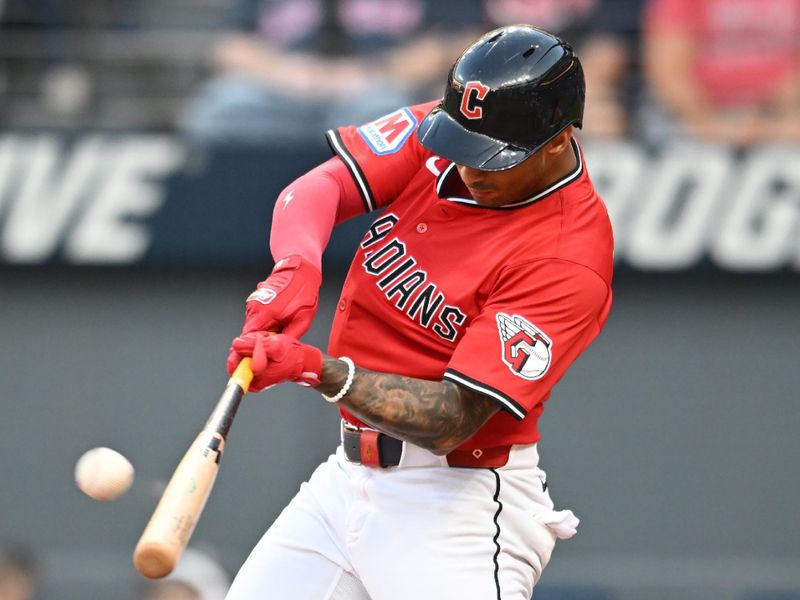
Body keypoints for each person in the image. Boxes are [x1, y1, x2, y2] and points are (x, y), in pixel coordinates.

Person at [225, 25, 614, 600]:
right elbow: (317, 189)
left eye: (490, 158)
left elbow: (453, 418)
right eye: (460, 143)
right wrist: (295, 268)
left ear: (556, 141)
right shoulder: (465, 124)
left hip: (456, 504)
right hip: (345, 480)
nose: (467, 166)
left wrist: (315, 368)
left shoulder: (566, 257)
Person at [180, 0, 481, 146]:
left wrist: (369, 71)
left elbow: (453, 44)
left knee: (384, 108)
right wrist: (284, 70)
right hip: (285, 91)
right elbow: (228, 46)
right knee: (223, 104)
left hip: (377, 89)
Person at [642, 0, 800, 145]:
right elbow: (669, 71)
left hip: (784, 113)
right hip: (696, 117)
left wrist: (771, 118)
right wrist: (708, 123)